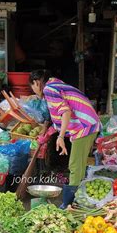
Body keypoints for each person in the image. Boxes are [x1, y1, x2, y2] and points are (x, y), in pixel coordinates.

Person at [30, 69, 100, 208]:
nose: (33, 90)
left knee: (75, 165)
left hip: (84, 127)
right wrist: (49, 134)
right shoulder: (55, 84)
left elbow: (65, 112)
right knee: (77, 165)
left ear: (37, 83)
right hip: (85, 125)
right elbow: (59, 117)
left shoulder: (49, 89)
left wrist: (61, 137)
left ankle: (69, 203)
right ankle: (75, 201)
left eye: (31, 86)